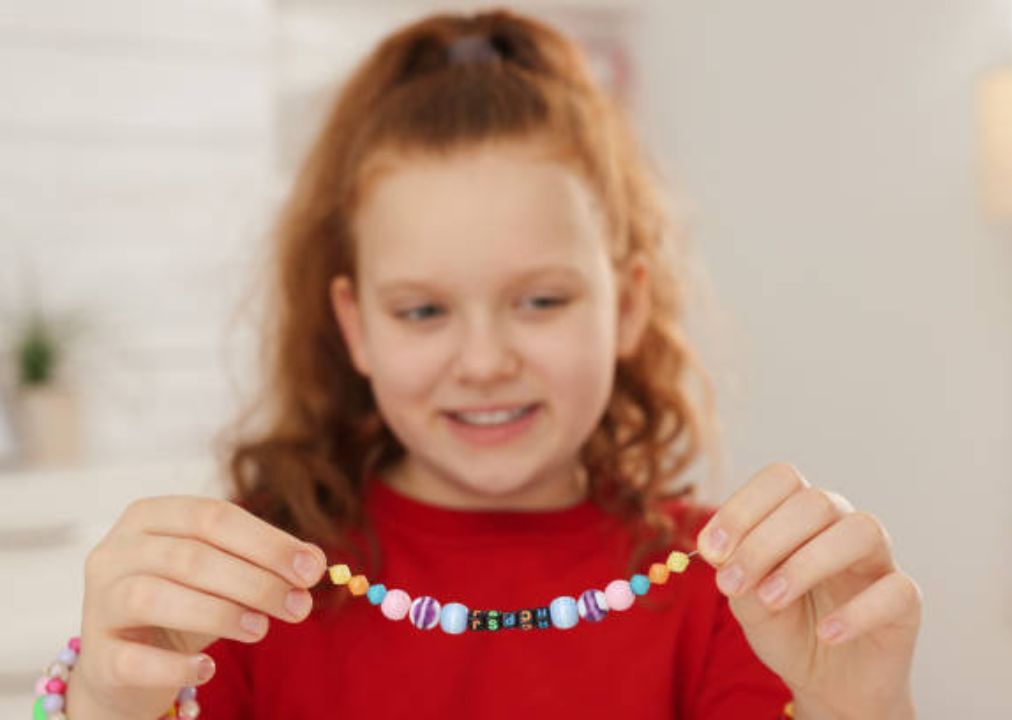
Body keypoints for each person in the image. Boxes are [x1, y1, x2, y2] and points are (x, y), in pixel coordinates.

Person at [58, 8, 922, 719]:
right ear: (355, 328)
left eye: (540, 301)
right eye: (423, 310)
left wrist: (861, 711)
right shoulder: (244, 593)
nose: (483, 361)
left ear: (625, 305)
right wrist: (102, 699)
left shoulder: (733, 594)